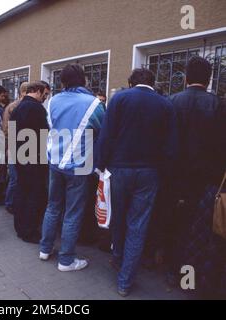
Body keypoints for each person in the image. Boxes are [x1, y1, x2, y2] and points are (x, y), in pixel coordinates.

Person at [96, 68, 177, 296]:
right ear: (153, 82)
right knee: (138, 225)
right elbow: (170, 146)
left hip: (119, 169)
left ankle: (117, 257)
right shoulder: (165, 104)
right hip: (149, 172)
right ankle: (125, 281)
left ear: (131, 82)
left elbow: (107, 135)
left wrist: (100, 165)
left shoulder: (119, 98)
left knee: (118, 216)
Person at [165, 56, 226, 288]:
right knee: (198, 227)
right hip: (206, 177)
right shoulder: (218, 104)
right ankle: (193, 273)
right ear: (209, 79)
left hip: (174, 174)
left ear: (186, 78)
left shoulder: (171, 101)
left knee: (174, 221)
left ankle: (173, 268)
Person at [40, 64, 104, 271]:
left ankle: (45, 248)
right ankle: (66, 260)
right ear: (84, 80)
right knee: (72, 213)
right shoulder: (94, 103)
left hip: (55, 162)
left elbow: (52, 126)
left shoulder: (52, 101)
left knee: (53, 206)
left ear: (62, 82)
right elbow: (103, 130)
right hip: (78, 165)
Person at [9, 81, 49, 243]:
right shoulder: (37, 108)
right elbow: (43, 134)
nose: (45, 98)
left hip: (20, 155)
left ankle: (20, 227)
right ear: (38, 91)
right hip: (34, 158)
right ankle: (29, 231)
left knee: (21, 191)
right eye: (45, 94)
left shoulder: (18, 107)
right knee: (34, 195)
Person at [2, 82, 29, 214]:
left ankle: (12, 201)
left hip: (17, 146)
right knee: (15, 177)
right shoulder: (16, 107)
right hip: (14, 146)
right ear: (23, 92)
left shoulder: (14, 106)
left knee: (16, 177)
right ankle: (9, 202)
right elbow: (8, 129)